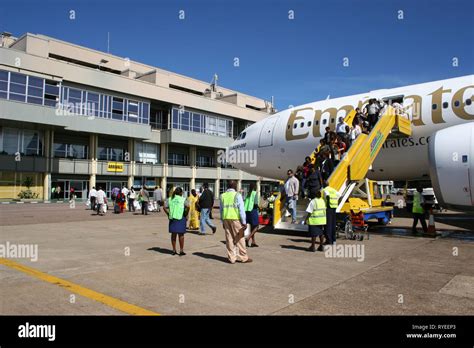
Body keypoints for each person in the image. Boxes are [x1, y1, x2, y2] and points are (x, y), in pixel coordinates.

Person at [220, 180, 252, 264]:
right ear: (234, 186)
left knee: (229, 238)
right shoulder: (237, 195)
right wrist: (244, 222)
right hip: (235, 219)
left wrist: (222, 221)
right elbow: (241, 210)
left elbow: (221, 210)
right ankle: (243, 257)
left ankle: (231, 258)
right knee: (240, 238)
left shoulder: (222, 195)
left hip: (226, 218)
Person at [163, 187, 189, 256]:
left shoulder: (170, 199)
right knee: (181, 235)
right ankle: (181, 250)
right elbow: (188, 206)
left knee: (173, 234)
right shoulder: (183, 199)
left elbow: (164, 207)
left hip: (172, 218)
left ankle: (174, 250)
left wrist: (168, 214)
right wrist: (186, 213)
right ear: (181, 193)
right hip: (181, 217)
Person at [244, 182, 259, 248]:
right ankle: (248, 238)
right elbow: (255, 203)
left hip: (247, 211)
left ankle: (253, 242)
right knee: (256, 226)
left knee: (252, 227)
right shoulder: (255, 193)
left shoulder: (248, 194)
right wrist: (259, 206)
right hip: (253, 210)